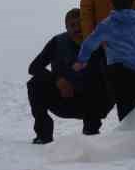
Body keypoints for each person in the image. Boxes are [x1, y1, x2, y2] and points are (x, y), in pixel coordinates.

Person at [26, 8, 110, 144]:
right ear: (66, 27)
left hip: (93, 101)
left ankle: (92, 131)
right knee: (35, 83)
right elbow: (34, 67)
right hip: (65, 99)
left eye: (80, 24)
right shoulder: (57, 42)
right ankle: (43, 135)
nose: (77, 29)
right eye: (73, 25)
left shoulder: (98, 43)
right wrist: (58, 80)